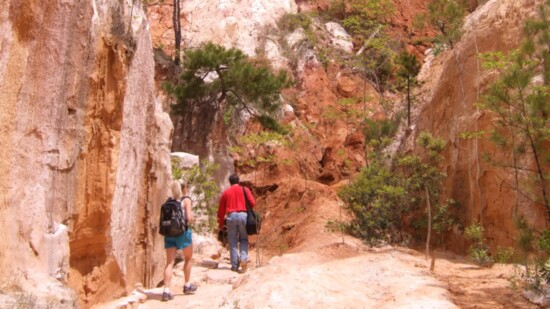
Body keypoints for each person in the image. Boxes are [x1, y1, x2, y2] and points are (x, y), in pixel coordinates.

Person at [162, 179, 197, 301]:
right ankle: (187, 285)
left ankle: (166, 290)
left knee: (169, 263)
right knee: (188, 258)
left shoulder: (168, 202)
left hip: (169, 234)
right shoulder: (186, 200)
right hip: (183, 233)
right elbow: (189, 218)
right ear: (184, 188)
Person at [217, 173, 256, 273]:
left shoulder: (226, 192)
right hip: (243, 216)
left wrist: (221, 224)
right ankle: (243, 259)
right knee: (243, 239)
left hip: (231, 216)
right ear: (238, 181)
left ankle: (234, 265)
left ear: (230, 182)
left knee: (232, 240)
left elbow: (221, 210)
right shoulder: (245, 189)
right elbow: (252, 203)